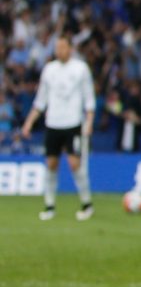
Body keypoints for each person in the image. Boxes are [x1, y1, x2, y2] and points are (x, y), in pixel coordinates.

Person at [20, 36, 96, 221]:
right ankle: (49, 205)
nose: (59, 50)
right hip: (53, 123)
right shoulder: (49, 70)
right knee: (51, 165)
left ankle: (86, 204)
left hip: (73, 124)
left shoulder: (80, 69)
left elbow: (89, 98)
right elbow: (41, 100)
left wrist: (89, 122)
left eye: (63, 47)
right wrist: (29, 122)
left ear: (70, 48)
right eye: (57, 47)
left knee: (74, 164)